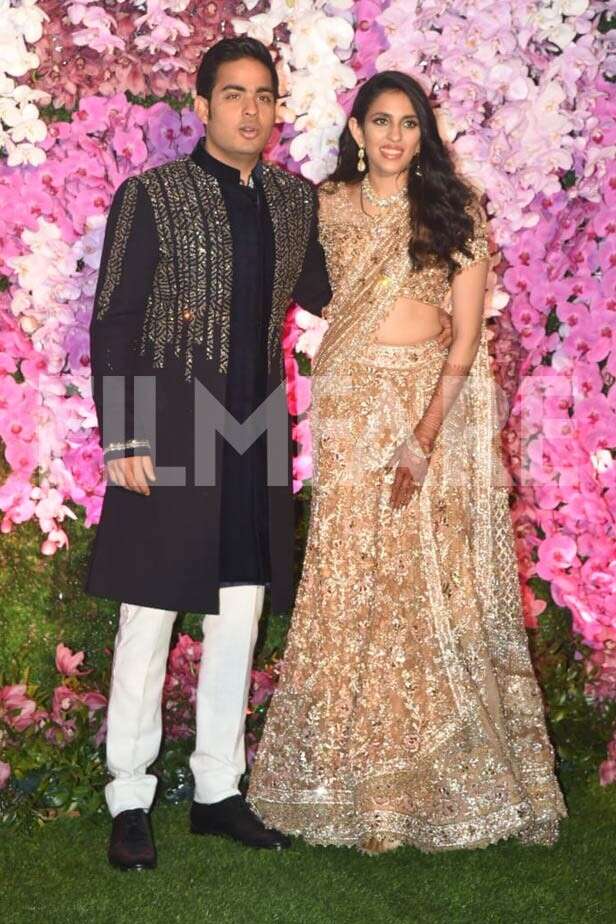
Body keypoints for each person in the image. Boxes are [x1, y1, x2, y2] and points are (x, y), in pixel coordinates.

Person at [248, 71, 567, 854]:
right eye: (379, 121)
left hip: (428, 404)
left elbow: (465, 339)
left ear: (423, 134)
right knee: (354, 577)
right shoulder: (322, 208)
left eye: (408, 123)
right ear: (356, 130)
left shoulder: (453, 211)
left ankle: (434, 783)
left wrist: (424, 435)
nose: (393, 135)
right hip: (352, 402)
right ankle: (362, 787)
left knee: (430, 583)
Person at [87, 37, 334, 870]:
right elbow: (114, 318)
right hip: (170, 425)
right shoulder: (151, 196)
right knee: (149, 614)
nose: (251, 110)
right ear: (202, 107)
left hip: (255, 425)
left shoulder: (296, 204)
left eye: (264, 95)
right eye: (233, 94)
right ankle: (130, 795)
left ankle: (219, 790)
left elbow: (333, 295)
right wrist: (122, 432)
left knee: (240, 613)